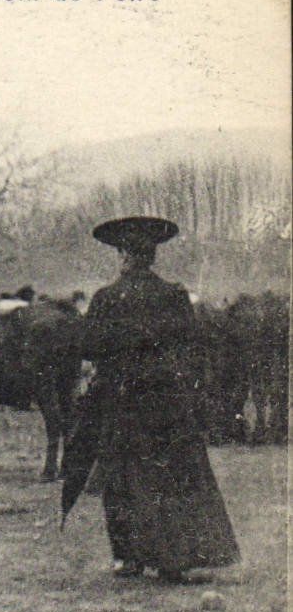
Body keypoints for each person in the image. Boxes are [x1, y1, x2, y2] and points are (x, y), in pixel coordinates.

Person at [66, 216, 237, 583]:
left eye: (121, 253)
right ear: (152, 256)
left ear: (125, 256)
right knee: (172, 476)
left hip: (122, 401)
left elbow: (88, 346)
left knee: (123, 478)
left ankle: (129, 557)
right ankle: (173, 559)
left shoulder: (107, 297)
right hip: (168, 401)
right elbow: (193, 345)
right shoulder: (175, 295)